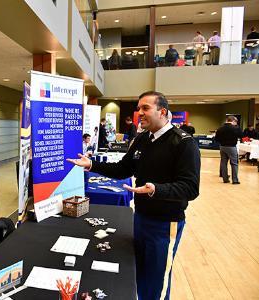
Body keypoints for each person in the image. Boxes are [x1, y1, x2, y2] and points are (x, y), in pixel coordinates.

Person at [67, 91, 200, 300]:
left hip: (165, 224)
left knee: (157, 280)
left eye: (145, 108)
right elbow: (123, 169)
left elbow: (190, 188)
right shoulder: (142, 139)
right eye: (139, 108)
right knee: (138, 272)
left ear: (162, 111)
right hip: (139, 218)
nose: (140, 113)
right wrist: (92, 165)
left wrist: (156, 189)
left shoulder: (183, 143)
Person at [215, 116, 243, 184]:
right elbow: (241, 135)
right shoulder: (235, 128)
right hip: (231, 147)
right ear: (233, 121)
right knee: (234, 163)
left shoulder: (220, 128)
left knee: (223, 163)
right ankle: (235, 180)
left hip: (222, 147)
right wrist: (238, 127)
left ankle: (225, 179)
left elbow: (216, 139)